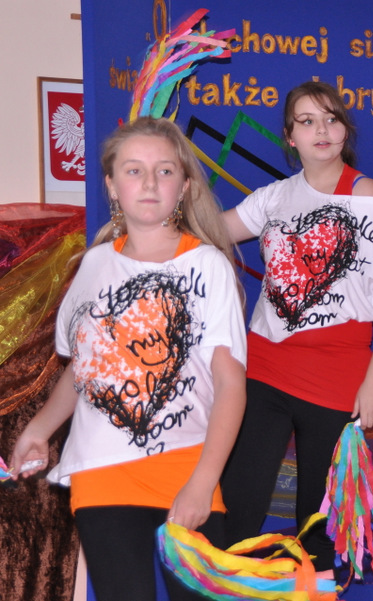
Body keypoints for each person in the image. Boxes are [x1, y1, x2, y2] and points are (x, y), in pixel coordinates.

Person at [10, 117, 247, 601]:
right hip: (102, 472)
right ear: (112, 186)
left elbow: (230, 384)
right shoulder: (94, 264)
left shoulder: (208, 265)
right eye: (134, 170)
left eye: (164, 171)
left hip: (187, 466)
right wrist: (38, 429)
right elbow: (86, 370)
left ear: (183, 186)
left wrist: (203, 483)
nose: (150, 182)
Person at [220, 80, 373, 576]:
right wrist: (163, 207)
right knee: (237, 510)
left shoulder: (368, 195)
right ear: (290, 137)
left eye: (330, 119)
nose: (321, 130)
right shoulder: (274, 197)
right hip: (264, 369)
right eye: (307, 122)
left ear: (345, 129)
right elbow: (212, 231)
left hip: (336, 379)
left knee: (319, 527)